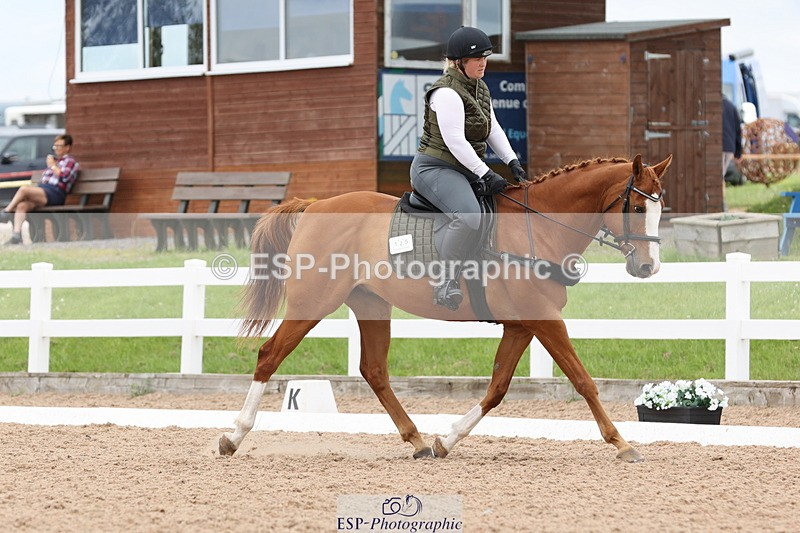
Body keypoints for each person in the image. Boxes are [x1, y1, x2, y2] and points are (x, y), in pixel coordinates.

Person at [410, 26, 526, 311]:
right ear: (458, 62)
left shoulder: (480, 88)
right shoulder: (446, 93)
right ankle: (445, 282)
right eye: (477, 59)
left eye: (485, 57)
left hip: (463, 169)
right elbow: (456, 142)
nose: (483, 63)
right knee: (469, 216)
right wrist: (486, 172)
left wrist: (512, 162)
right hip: (435, 168)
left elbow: (492, 128)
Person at [0, 134, 79, 245]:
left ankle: (6, 212)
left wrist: (52, 166)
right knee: (22, 205)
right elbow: (43, 179)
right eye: (54, 146)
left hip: (56, 193)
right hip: (44, 192)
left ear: (67, 147)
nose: (56, 149)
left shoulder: (70, 161)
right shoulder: (55, 161)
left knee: (24, 190)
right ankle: (16, 236)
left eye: (59, 146)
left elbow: (65, 178)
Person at [722, 96, 742, 210]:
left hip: (718, 146)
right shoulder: (731, 106)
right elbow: (738, 130)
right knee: (721, 174)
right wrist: (738, 152)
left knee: (719, 175)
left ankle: (722, 204)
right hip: (730, 146)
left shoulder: (715, 107)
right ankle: (722, 203)